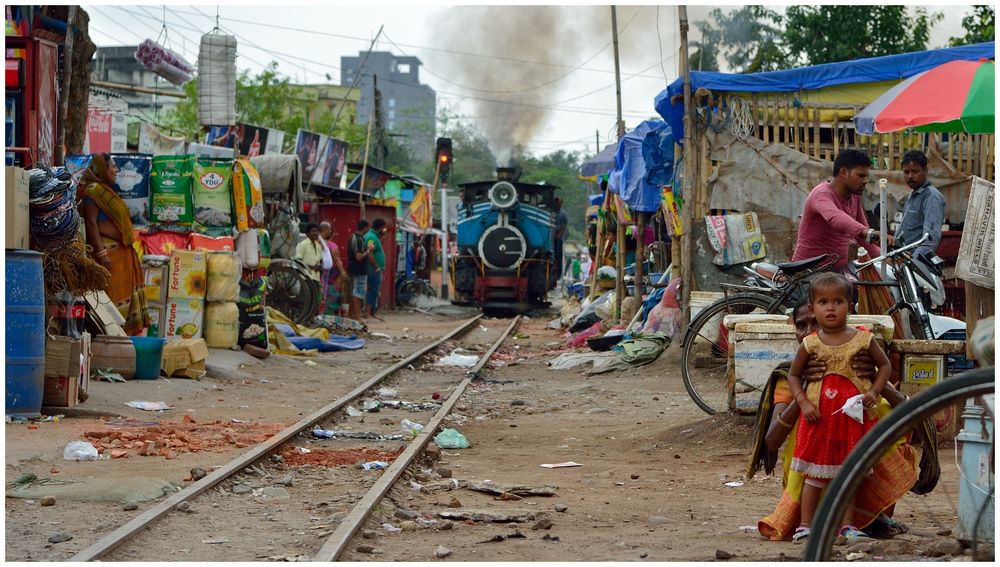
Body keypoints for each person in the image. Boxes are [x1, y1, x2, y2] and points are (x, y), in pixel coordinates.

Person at [750, 300, 922, 541]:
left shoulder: (859, 364)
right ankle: (814, 521)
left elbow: (913, 418)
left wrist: (874, 381)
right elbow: (771, 440)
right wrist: (806, 393)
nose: (811, 330)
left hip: (850, 461)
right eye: (802, 325)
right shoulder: (789, 377)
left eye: (817, 322)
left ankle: (866, 516)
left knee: (879, 416)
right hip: (811, 470)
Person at [785, 273, 892, 542]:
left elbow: (885, 366)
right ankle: (806, 524)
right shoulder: (810, 344)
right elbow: (793, 376)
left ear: (851, 305)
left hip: (852, 420)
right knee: (814, 474)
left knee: (849, 473)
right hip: (819, 419)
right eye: (823, 302)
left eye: (838, 301)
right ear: (813, 307)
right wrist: (804, 401)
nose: (830, 307)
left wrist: (874, 391)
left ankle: (847, 525)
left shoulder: (863, 340)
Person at [78, 154, 151, 336]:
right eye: (113, 167)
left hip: (121, 255)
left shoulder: (105, 190)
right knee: (112, 300)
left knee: (122, 300)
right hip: (109, 257)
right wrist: (102, 254)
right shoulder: (93, 191)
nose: (116, 171)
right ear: (102, 169)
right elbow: (91, 223)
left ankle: (123, 340)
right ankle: (111, 339)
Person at [793, 149, 881, 272]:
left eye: (866, 176)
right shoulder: (821, 194)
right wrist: (868, 232)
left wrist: (884, 257)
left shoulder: (854, 197)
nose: (866, 181)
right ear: (844, 172)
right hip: (809, 273)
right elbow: (835, 217)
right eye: (861, 176)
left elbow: (863, 237)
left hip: (836, 274)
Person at [894, 150, 946, 257]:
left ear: (925, 170)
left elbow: (930, 239)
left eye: (915, 171)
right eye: (906, 172)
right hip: (903, 259)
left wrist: (914, 262)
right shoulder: (912, 195)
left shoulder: (932, 196)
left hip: (914, 265)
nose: (910, 176)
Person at [347, 220, 372, 321]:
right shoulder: (358, 240)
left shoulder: (353, 237)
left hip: (354, 269)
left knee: (353, 292)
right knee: (358, 293)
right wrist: (369, 250)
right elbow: (359, 257)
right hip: (359, 270)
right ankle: (357, 317)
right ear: (365, 228)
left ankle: (352, 315)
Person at [319, 222, 346, 316]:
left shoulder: (324, 243)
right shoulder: (331, 245)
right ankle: (329, 313)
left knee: (328, 292)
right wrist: (342, 272)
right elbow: (337, 260)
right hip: (331, 273)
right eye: (329, 230)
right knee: (330, 292)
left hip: (328, 272)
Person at [364, 218, 388, 320]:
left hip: (375, 269)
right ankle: (368, 313)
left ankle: (372, 313)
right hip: (373, 269)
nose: (385, 229)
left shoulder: (374, 236)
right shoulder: (371, 237)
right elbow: (370, 253)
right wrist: (377, 267)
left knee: (375, 290)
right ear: (381, 227)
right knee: (372, 290)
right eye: (384, 228)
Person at [554, 197, 568, 280]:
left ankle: (558, 274)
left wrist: (559, 235)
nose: (558, 205)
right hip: (551, 236)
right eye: (557, 203)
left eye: (560, 203)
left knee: (558, 255)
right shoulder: (551, 211)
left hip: (558, 237)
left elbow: (564, 226)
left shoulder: (563, 213)